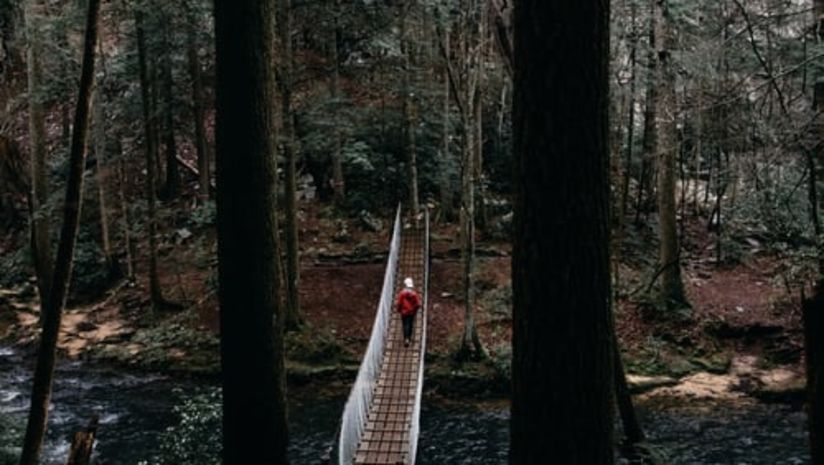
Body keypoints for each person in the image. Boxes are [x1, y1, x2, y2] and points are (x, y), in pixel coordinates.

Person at [396, 277, 421, 347]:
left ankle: (406, 339)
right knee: (410, 324)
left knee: (405, 325)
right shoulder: (414, 294)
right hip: (411, 312)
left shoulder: (402, 294)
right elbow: (418, 304)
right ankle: (408, 338)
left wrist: (398, 310)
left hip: (404, 312)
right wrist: (415, 310)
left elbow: (399, 303)